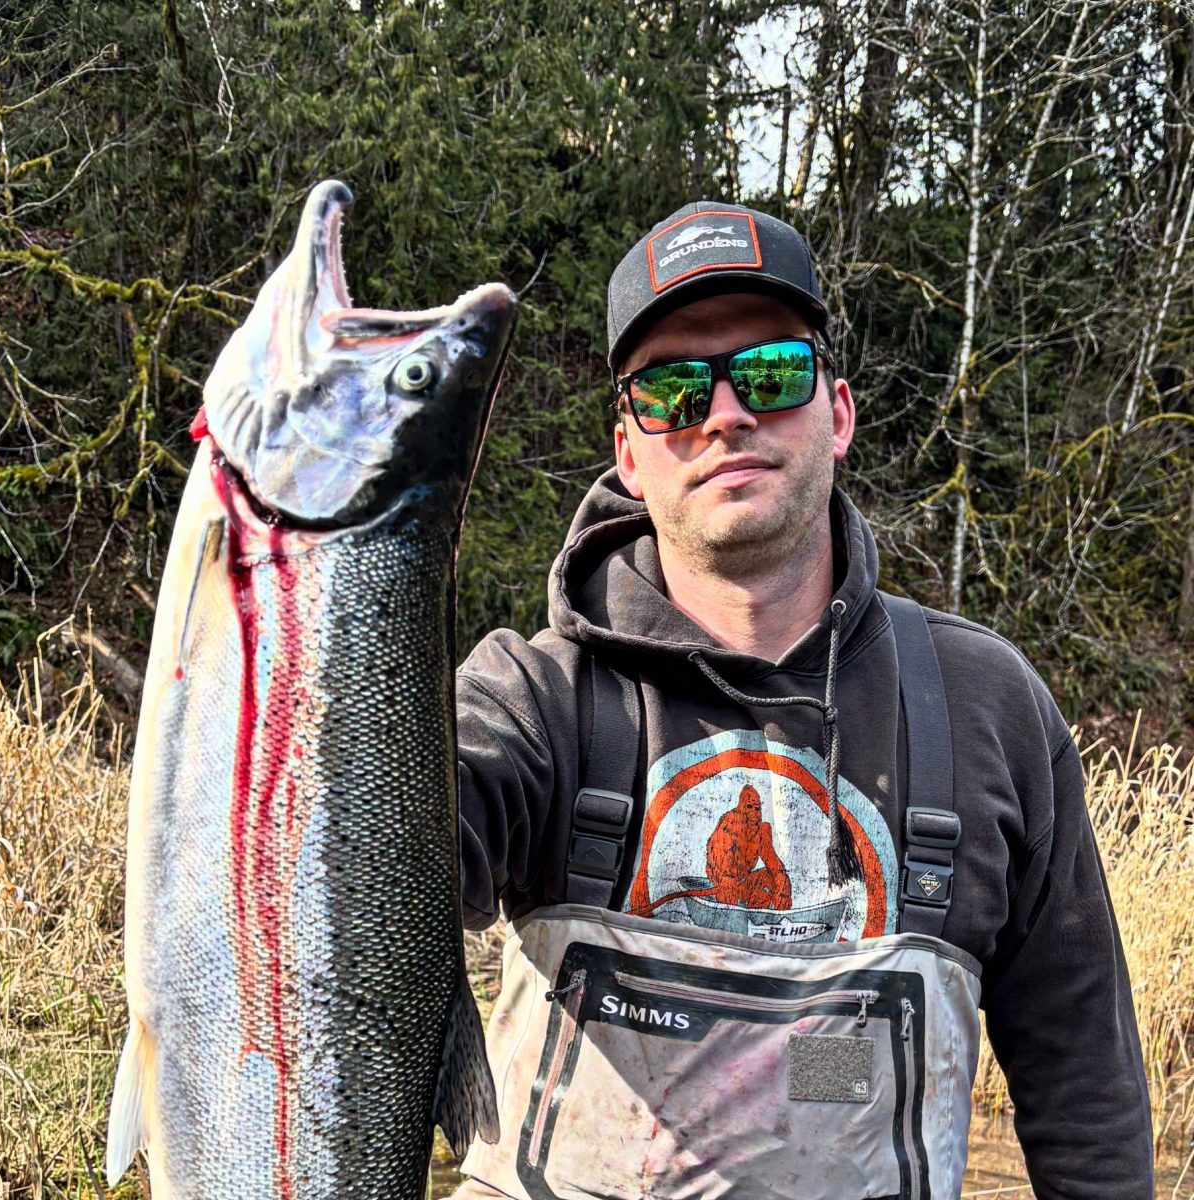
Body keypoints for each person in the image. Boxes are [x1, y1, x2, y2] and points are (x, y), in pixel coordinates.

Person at [452, 201, 1152, 1199]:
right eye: (674, 390)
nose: (726, 412)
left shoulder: (991, 709)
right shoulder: (530, 699)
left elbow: (1087, 1098)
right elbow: (351, 875)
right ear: (630, 449)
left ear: (839, 410)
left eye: (771, 373)